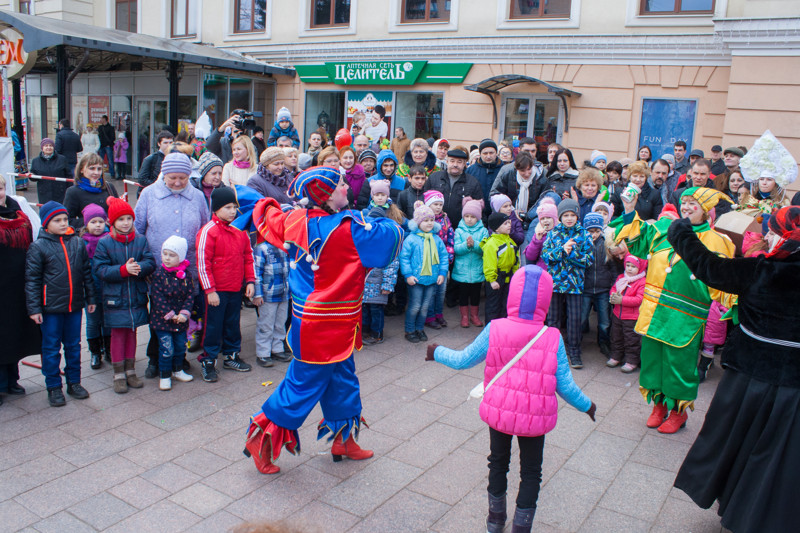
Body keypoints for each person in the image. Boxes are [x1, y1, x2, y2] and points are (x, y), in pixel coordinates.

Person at [243, 166, 404, 474]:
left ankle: (344, 440)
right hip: (328, 325)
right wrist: (377, 215)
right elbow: (392, 237)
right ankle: (261, 441)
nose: (348, 187)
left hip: (318, 322)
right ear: (328, 195)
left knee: (344, 382)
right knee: (300, 388)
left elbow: (266, 213)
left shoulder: (294, 219)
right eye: (342, 183)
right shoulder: (350, 228)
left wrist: (266, 202)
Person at [426, 265, 596, 533]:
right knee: (531, 472)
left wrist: (436, 352)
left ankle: (495, 521)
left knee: (498, 462)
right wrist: (588, 406)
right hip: (535, 419)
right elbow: (566, 387)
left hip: (500, 412)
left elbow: (463, 360)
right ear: (546, 300)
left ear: (513, 295)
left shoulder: (495, 328)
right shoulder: (552, 336)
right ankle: (521, 527)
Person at [669, 206, 800, 533]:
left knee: (737, 442)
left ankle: (737, 508)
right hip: (793, 390)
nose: (766, 234)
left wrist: (680, 232)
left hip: (750, 380)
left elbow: (709, 267)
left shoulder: (761, 270)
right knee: (776, 457)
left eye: (772, 230)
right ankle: (758, 514)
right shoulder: (762, 266)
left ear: (786, 237)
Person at [615, 186, 735, 433]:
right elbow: (638, 244)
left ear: (707, 210)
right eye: (684, 202)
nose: (687, 207)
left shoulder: (717, 241)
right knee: (652, 362)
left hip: (685, 317)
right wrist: (629, 209)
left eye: (694, 203)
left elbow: (723, 280)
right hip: (654, 312)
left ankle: (678, 412)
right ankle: (658, 406)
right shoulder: (666, 229)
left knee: (679, 367)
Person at [134, 152, 210, 377]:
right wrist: (143, 262)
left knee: (184, 314)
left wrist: (199, 268)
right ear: (163, 175)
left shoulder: (196, 197)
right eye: (172, 177)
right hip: (157, 269)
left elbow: (204, 230)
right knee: (158, 314)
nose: (177, 182)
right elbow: (138, 229)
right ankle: (155, 358)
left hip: (187, 271)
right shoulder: (149, 194)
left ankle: (179, 358)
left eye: (183, 178)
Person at [25, 201, 96, 407]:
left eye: (65, 219)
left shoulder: (76, 242)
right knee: (51, 348)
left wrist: (90, 298)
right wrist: (35, 308)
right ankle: (53, 386)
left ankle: (74, 382)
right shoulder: (38, 247)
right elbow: (32, 280)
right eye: (58, 220)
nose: (64, 223)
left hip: (74, 306)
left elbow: (86, 273)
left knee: (73, 346)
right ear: (47, 223)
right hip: (50, 309)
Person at [93, 197, 155, 393]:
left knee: (132, 332)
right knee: (118, 334)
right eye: (121, 219)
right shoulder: (105, 243)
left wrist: (139, 267)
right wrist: (123, 270)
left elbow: (150, 262)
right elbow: (100, 269)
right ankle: (118, 373)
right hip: (115, 298)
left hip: (135, 296)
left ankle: (131, 371)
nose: (126, 223)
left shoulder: (141, 240)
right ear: (112, 223)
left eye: (129, 218)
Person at [196, 187, 256, 382]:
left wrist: (249, 281)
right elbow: (203, 263)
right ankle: (209, 360)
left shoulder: (239, 232)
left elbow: (248, 257)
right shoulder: (208, 231)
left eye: (234, 207)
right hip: (216, 291)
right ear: (216, 209)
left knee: (232, 323)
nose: (232, 211)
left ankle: (231, 355)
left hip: (235, 288)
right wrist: (210, 290)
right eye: (228, 207)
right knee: (213, 327)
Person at [0, 175, 39, 405]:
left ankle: (12, 380)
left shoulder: (19, 212)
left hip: (17, 285)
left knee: (14, 332)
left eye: (1, 188)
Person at [541, 199, 594, 369]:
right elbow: (546, 256)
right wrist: (562, 250)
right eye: (566, 215)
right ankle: (552, 349)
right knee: (553, 318)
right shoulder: (553, 233)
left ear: (577, 216)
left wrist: (572, 255)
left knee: (575, 319)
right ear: (560, 217)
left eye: (572, 215)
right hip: (555, 284)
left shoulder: (584, 234)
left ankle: (574, 351)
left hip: (575, 284)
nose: (569, 218)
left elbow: (589, 260)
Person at [148, 235, 196, 391]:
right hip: (163, 321)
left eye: (172, 255)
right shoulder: (159, 275)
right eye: (165, 254)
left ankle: (178, 370)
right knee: (166, 349)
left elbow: (190, 294)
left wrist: (184, 313)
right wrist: (170, 314)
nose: (167, 258)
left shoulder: (186, 275)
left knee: (180, 347)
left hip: (181, 321)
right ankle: (165, 375)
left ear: (181, 257)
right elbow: (157, 297)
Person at [361, 181, 402, 345]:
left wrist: (388, 285)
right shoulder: (364, 244)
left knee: (376, 310)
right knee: (364, 310)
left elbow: (391, 267)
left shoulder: (387, 245)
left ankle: (377, 333)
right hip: (365, 285)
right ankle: (365, 331)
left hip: (378, 285)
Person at [401, 202, 448, 343]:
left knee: (425, 307)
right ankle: (410, 330)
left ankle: (420, 329)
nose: (429, 223)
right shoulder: (411, 239)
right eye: (425, 220)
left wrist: (442, 273)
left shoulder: (436, 239)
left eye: (431, 220)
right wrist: (408, 275)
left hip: (432, 279)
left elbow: (443, 256)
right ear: (418, 222)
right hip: (415, 279)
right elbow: (404, 258)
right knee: (415, 306)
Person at [252, 229, 292, 367]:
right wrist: (257, 294)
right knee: (266, 324)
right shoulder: (261, 249)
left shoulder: (286, 248)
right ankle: (263, 353)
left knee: (280, 322)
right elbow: (257, 272)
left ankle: (277, 348)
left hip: (284, 293)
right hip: (268, 295)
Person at [581, 212, 616, 357]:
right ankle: (578, 341)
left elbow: (613, 267)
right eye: (590, 231)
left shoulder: (606, 244)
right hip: (585, 287)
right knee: (582, 317)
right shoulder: (582, 243)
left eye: (596, 231)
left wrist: (613, 284)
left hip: (603, 287)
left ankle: (603, 342)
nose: (593, 235)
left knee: (604, 320)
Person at [81, 204, 110, 369]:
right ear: (87, 225)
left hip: (108, 290)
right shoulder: (82, 245)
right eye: (93, 222)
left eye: (101, 221)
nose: (98, 225)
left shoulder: (109, 241)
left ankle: (108, 349)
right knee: (93, 322)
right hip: (90, 291)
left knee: (107, 321)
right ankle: (95, 351)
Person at [606, 254, 647, 372]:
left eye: (633, 266)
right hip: (617, 314)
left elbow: (639, 299)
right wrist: (613, 295)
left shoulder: (641, 282)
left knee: (631, 339)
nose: (629, 268)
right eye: (628, 265)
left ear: (640, 268)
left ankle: (631, 361)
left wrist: (621, 300)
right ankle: (616, 356)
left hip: (631, 317)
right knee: (616, 337)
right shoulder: (621, 278)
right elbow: (614, 288)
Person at [425, 148, 483, 229]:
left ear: (464, 164)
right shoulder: (434, 178)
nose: (455, 164)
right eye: (452, 161)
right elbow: (424, 201)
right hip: (434, 227)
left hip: (461, 230)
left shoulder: (472, 183)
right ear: (447, 161)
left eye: (459, 162)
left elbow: (478, 208)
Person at [422, 190, 454, 329]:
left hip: (442, 260)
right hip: (429, 261)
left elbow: (450, 239)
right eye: (435, 204)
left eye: (440, 204)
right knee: (431, 291)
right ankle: (429, 316)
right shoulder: (424, 220)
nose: (438, 207)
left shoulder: (445, 220)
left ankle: (439, 314)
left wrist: (448, 257)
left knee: (441, 290)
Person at [453, 198, 487, 328]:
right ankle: (464, 316)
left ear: (478, 217)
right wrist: (466, 246)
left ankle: (474, 315)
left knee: (475, 295)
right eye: (466, 216)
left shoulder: (483, 231)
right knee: (463, 295)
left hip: (477, 269)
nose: (469, 219)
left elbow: (485, 248)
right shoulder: (459, 230)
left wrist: (475, 245)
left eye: (473, 216)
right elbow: (456, 249)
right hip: (462, 270)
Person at [481, 212, 520, 323]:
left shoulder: (510, 241)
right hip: (496, 278)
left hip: (508, 278)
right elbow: (489, 264)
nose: (509, 225)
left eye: (509, 223)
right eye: (505, 223)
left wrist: (515, 275)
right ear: (496, 228)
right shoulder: (491, 244)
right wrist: (492, 280)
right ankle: (490, 331)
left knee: (505, 305)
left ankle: (502, 330)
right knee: (493, 306)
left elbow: (516, 260)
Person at [63, 153, 119, 228]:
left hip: (110, 236)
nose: (96, 172)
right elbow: (67, 220)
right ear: (81, 169)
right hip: (87, 237)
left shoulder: (109, 187)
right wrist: (92, 220)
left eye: (99, 169)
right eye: (92, 168)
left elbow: (119, 212)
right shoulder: (73, 192)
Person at [31, 138, 71, 205]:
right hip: (44, 193)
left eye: (50, 145)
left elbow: (68, 175)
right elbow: (34, 177)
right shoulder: (35, 161)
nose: (48, 147)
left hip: (60, 193)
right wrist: (30, 175)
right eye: (46, 146)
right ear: (42, 148)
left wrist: (69, 191)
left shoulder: (62, 159)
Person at [524, 199, 558, 269]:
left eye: (548, 218)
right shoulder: (538, 234)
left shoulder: (560, 233)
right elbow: (530, 257)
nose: (545, 221)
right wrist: (536, 241)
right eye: (542, 219)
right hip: (542, 271)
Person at [468, 139, 503, 206]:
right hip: (476, 209)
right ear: (480, 154)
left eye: (491, 153)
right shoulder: (471, 170)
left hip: (498, 210)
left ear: (496, 153)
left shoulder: (504, 170)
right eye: (485, 153)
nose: (488, 156)